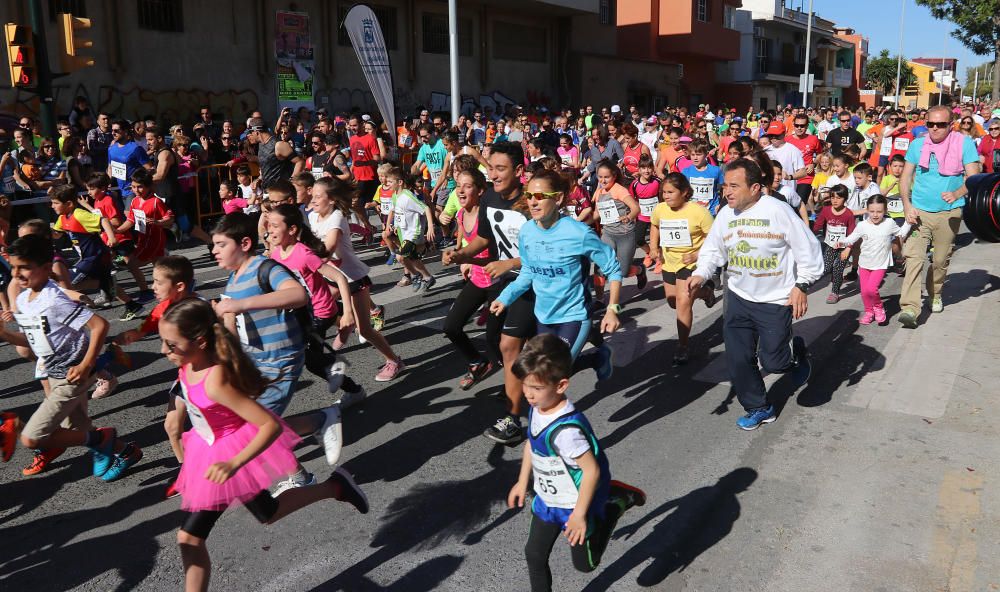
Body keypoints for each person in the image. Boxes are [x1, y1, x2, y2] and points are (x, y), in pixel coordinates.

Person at [159, 298, 368, 592]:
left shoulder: (216, 380)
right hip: (209, 450)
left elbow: (268, 426)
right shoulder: (188, 364)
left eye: (171, 344)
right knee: (267, 513)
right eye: (163, 342)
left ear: (200, 342)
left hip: (231, 454)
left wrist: (234, 463)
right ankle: (335, 487)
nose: (163, 351)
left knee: (189, 538)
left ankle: (333, 477)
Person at [689, 159, 822, 430]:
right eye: (725, 185)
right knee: (738, 358)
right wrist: (701, 273)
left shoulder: (778, 211)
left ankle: (795, 357)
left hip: (775, 300)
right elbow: (714, 249)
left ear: (756, 188)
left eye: (734, 186)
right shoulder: (726, 214)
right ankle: (759, 407)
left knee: (773, 362)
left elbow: (807, 248)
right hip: (738, 296)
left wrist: (802, 285)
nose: (727, 192)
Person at [507, 334, 646, 592]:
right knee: (534, 556)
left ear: (560, 386)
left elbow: (591, 470)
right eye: (525, 385)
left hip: (576, 503)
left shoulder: (567, 432)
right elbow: (532, 443)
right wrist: (521, 480)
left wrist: (580, 515)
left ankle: (616, 502)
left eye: (535, 388)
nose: (528, 393)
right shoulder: (538, 407)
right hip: (548, 501)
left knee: (585, 566)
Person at [0, 234, 143, 479]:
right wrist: (4, 334)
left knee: (31, 438)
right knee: (76, 427)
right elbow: (32, 343)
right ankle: (126, 451)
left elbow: (99, 326)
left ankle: (101, 438)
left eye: (24, 267)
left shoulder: (54, 299)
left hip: (73, 374)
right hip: (53, 372)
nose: (17, 274)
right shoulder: (23, 300)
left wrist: (86, 364)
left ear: (46, 269)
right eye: (13, 267)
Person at [442, 141, 535, 445]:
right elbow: (483, 237)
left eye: (500, 169)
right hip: (503, 282)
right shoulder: (491, 198)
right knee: (503, 344)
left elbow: (550, 249)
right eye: (490, 168)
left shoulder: (532, 201)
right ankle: (516, 406)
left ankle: (516, 417)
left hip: (535, 282)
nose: (492, 175)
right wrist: (462, 254)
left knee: (520, 348)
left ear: (519, 171)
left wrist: (511, 261)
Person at [489, 169, 620, 376]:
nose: (532, 202)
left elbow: (613, 268)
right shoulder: (527, 232)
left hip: (574, 315)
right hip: (544, 316)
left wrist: (612, 309)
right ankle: (596, 357)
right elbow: (529, 272)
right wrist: (506, 297)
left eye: (540, 197)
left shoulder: (578, 233)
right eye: (529, 195)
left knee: (551, 374)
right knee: (547, 372)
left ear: (558, 199)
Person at [311, 178, 406, 382]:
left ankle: (394, 360)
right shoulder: (313, 217)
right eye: (313, 195)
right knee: (319, 307)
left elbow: (327, 250)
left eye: (318, 196)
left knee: (365, 329)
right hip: (332, 277)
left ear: (333, 200)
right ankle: (345, 324)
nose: (314, 199)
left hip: (353, 277)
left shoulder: (336, 218)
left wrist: (307, 257)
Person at [898, 105, 981, 328]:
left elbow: (974, 177)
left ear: (950, 125)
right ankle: (910, 308)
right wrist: (907, 205)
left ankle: (935, 294)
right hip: (920, 211)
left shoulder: (964, 143)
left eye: (941, 124)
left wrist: (956, 194)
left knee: (940, 261)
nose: (935, 128)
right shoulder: (917, 144)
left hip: (949, 212)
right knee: (914, 258)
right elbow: (905, 177)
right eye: (930, 124)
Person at [441, 168, 498, 390]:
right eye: (458, 186)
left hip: (498, 283)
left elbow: (496, 258)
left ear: (481, 190)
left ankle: (516, 388)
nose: (461, 191)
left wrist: (466, 259)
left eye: (467, 186)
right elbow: (463, 241)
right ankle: (477, 361)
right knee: (451, 327)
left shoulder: (489, 216)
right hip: (477, 280)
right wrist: (459, 256)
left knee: (495, 341)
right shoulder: (461, 214)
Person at [834, 195, 912, 325]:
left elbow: (901, 233)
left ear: (885, 211)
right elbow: (851, 238)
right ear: (867, 210)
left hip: (880, 264)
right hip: (864, 263)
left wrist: (908, 222)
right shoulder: (862, 225)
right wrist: (842, 242)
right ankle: (869, 312)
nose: (875, 215)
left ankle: (879, 307)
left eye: (879, 211)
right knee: (864, 292)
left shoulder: (889, 223)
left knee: (871, 289)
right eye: (872, 211)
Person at [812, 184, 856, 304]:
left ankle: (834, 293)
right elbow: (817, 226)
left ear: (845, 199)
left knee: (838, 268)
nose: (835, 200)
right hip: (831, 245)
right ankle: (836, 277)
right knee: (826, 268)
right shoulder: (826, 211)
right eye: (832, 197)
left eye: (838, 197)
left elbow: (852, 233)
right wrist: (809, 234)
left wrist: (848, 248)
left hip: (844, 247)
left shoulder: (848, 214)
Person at [107, 121, 149, 203]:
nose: (113, 133)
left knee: (128, 213)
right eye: (112, 130)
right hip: (118, 190)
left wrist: (137, 183)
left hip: (133, 191)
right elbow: (110, 167)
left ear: (125, 132)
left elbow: (149, 168)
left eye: (116, 131)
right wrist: (108, 183)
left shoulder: (136, 148)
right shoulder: (111, 148)